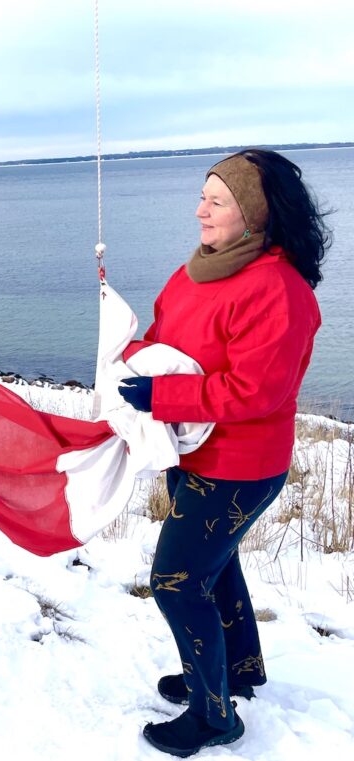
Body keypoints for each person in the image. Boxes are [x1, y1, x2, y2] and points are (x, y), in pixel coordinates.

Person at [117, 149, 329, 757]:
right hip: (188, 451)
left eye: (215, 201)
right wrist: (128, 356)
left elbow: (256, 390)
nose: (199, 211)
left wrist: (163, 395)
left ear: (253, 215)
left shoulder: (279, 290)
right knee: (215, 566)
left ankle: (214, 717)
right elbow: (164, 338)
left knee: (177, 582)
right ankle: (239, 671)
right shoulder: (194, 272)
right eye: (202, 196)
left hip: (241, 466)